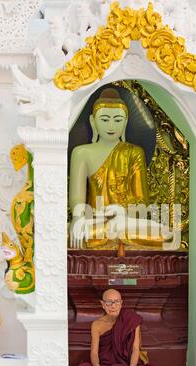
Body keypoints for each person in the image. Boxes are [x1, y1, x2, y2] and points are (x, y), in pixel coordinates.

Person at [69, 88, 173, 249]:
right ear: (92, 121)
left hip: (126, 223)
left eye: (118, 120)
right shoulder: (81, 152)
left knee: (167, 237)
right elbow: (77, 198)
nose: (111, 126)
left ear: (125, 123)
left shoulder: (134, 152)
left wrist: (122, 211)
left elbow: (141, 201)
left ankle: (114, 232)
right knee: (68, 234)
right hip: (94, 222)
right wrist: (77, 218)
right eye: (104, 119)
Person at [78, 289, 159, 366]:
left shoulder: (131, 320)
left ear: (121, 303)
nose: (113, 306)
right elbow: (94, 352)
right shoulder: (97, 325)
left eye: (116, 302)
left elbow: (135, 349)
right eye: (109, 302)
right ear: (102, 304)